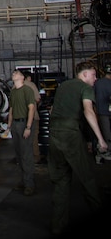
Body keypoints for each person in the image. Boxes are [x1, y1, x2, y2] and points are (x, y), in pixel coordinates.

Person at [48, 60, 108, 236]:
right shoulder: (85, 88)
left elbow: (53, 110)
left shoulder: (63, 86)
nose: (96, 78)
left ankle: (57, 226)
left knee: (61, 181)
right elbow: (88, 111)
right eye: (93, 74)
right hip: (70, 135)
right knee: (87, 178)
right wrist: (100, 139)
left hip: (54, 135)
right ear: (84, 74)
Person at [8, 69, 36, 196]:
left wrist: (28, 127)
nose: (13, 74)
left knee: (27, 155)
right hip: (15, 125)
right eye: (13, 73)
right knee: (19, 155)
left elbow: (31, 108)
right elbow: (11, 109)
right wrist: (9, 125)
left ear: (22, 77)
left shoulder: (27, 90)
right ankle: (23, 181)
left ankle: (29, 184)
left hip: (24, 124)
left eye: (16, 73)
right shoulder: (13, 92)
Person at [24, 72, 42, 164]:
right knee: (34, 137)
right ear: (29, 77)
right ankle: (35, 157)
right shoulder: (31, 85)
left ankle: (24, 158)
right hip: (33, 116)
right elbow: (38, 99)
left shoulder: (15, 86)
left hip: (20, 117)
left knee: (23, 139)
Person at [94, 62, 111, 150]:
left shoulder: (97, 83)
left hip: (100, 112)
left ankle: (106, 149)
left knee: (106, 132)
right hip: (108, 110)